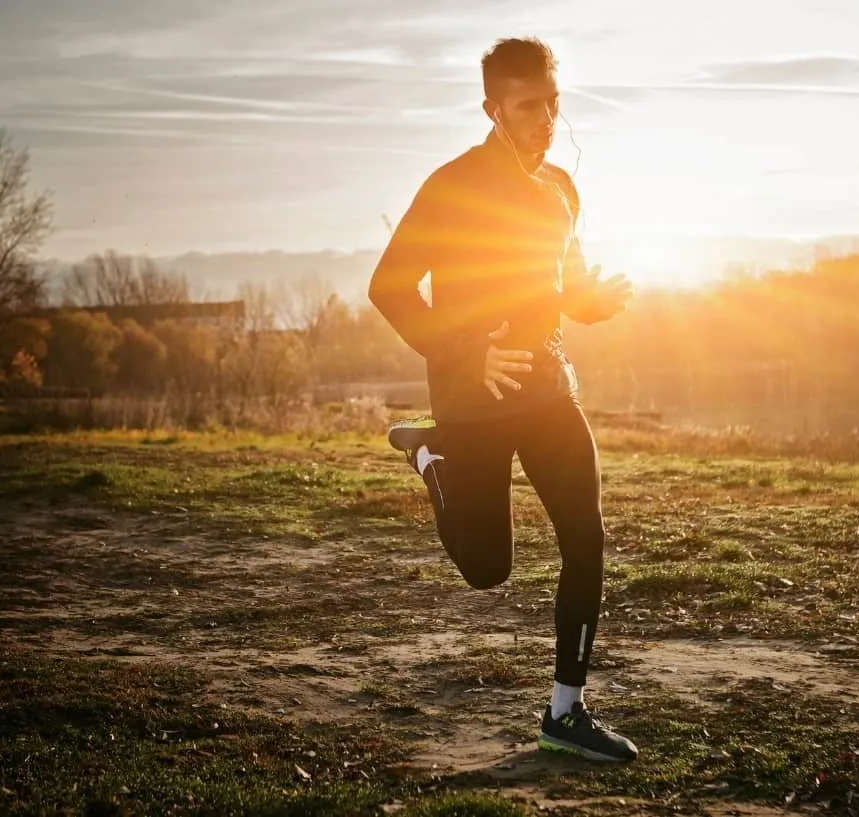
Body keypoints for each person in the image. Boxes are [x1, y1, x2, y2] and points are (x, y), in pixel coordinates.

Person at [367, 36, 637, 762]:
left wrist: (594, 303)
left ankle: (565, 712)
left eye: (553, 101)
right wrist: (463, 353)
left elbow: (562, 288)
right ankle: (430, 453)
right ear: (491, 107)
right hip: (473, 397)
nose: (546, 117)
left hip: (548, 388)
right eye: (528, 106)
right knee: (488, 568)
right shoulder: (452, 184)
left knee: (586, 538)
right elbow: (388, 287)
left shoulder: (562, 188)